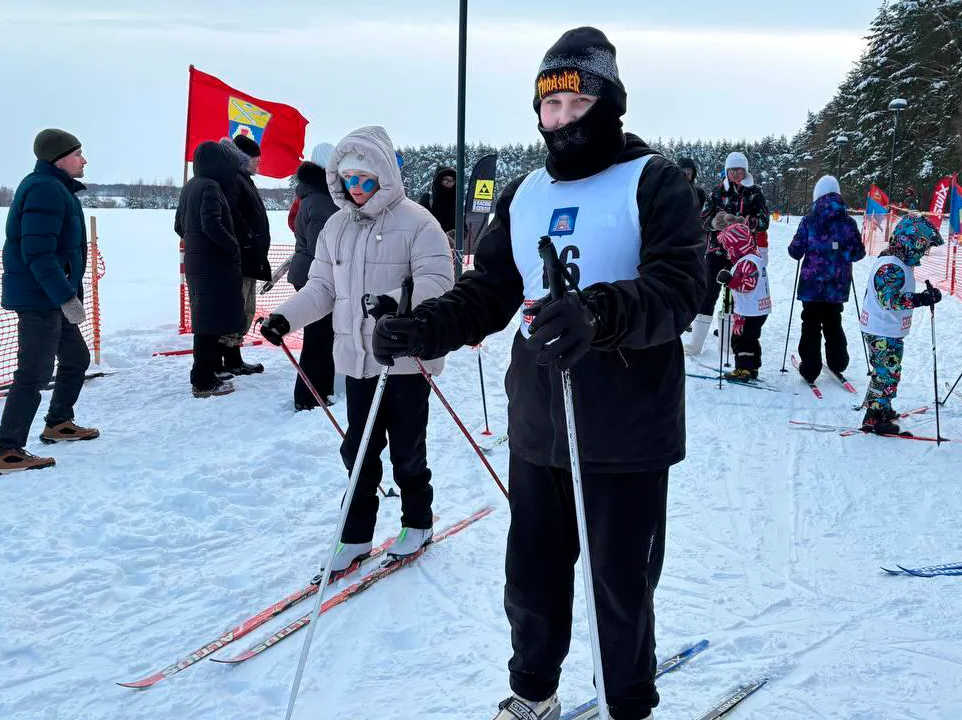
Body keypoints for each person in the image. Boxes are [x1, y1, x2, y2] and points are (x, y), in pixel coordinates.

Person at [368, 27, 703, 720]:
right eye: (550, 106)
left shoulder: (653, 181)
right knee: (531, 580)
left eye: (578, 103)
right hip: (540, 426)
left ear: (610, 105)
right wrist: (425, 327)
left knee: (620, 586)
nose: (562, 119)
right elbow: (491, 289)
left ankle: (627, 703)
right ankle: (533, 694)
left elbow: (680, 289)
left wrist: (597, 313)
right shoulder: (524, 193)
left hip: (626, 429)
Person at [260, 125, 453, 561]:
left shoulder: (419, 223)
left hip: (405, 361)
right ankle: (356, 536)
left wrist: (396, 303)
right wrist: (285, 318)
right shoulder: (335, 226)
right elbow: (321, 288)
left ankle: (418, 523)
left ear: (384, 175)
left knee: (407, 451)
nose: (358, 188)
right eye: (349, 179)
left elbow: (439, 284)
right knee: (358, 451)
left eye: (366, 179)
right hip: (357, 360)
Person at [0, 128, 99, 475]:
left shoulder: (56, 188)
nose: (84, 160)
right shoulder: (45, 189)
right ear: (59, 158)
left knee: (76, 358)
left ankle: (58, 423)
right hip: (41, 298)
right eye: (78, 154)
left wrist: (65, 294)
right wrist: (65, 297)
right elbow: (38, 252)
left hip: (51, 296)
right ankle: (7, 451)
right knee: (34, 372)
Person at [858, 214, 943, 435]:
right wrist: (920, 299)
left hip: (886, 328)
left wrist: (925, 296)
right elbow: (889, 300)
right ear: (912, 241)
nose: (925, 251)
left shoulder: (899, 261)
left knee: (889, 371)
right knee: (885, 373)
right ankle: (874, 417)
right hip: (881, 329)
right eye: (924, 245)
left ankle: (882, 407)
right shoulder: (891, 265)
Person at [175, 141, 245, 399]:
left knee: (208, 320)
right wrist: (232, 246)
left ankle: (211, 371)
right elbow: (211, 224)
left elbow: (179, 225)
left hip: (198, 263)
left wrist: (196, 243)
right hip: (213, 264)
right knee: (207, 326)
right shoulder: (211, 187)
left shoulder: (191, 186)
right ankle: (202, 381)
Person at [685, 151, 769, 355]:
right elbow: (702, 220)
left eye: (739, 169)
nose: (735, 173)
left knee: (738, 295)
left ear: (745, 170)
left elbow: (764, 220)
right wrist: (715, 222)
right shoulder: (717, 192)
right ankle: (696, 343)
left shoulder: (755, 192)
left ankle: (731, 341)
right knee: (708, 293)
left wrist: (747, 222)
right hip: (717, 250)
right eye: (731, 170)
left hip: (742, 254)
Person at [788, 175, 866, 383]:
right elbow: (858, 253)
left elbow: (795, 251)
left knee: (810, 323)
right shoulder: (848, 222)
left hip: (811, 286)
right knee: (833, 321)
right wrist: (841, 250)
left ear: (817, 195)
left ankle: (810, 368)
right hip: (837, 285)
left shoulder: (809, 221)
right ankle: (838, 362)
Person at [288, 142, 341, 410]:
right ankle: (309, 397)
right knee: (318, 338)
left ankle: (320, 390)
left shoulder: (316, 196)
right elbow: (320, 247)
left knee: (322, 336)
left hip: (311, 273)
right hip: (315, 277)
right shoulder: (321, 200)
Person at [220, 134, 272, 375]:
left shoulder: (244, 179)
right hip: (240, 258)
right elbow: (232, 214)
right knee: (236, 310)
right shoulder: (234, 180)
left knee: (246, 310)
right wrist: (249, 238)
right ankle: (228, 360)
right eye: (256, 160)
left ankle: (234, 358)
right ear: (243, 158)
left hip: (250, 258)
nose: (259, 164)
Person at [715, 223, 771, 379]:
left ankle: (743, 369)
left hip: (749, 310)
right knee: (751, 338)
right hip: (758, 309)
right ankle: (753, 367)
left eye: (728, 249)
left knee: (741, 339)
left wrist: (729, 280)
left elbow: (748, 285)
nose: (727, 253)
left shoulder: (747, 262)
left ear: (736, 247)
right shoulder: (754, 256)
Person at [418, 166, 457, 235]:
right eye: (446, 179)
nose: (449, 183)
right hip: (429, 239)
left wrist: (454, 234)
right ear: (439, 180)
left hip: (448, 241)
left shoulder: (456, 202)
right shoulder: (427, 199)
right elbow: (419, 224)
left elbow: (463, 229)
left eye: (452, 180)